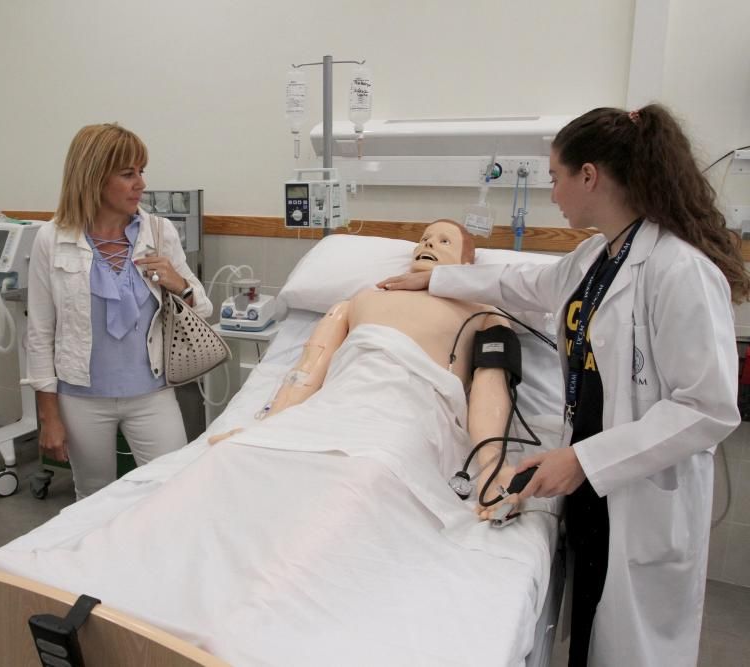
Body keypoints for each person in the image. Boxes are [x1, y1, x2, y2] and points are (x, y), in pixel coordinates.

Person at [379, 105, 746, 666]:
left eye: (555, 177)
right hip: (594, 487)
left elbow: (708, 408)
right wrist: (437, 276)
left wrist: (581, 460)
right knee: (593, 630)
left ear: (590, 175)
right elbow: (524, 281)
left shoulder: (680, 269)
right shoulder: (598, 257)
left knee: (632, 648)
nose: (553, 193)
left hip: (637, 488)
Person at [214, 219, 523, 517]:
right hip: (338, 400)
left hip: (411, 408)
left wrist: (493, 464)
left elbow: (491, 385)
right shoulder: (361, 298)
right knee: (242, 463)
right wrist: (268, 427)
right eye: (425, 238)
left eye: (444, 241)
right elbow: (308, 367)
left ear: (468, 266)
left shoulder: (483, 311)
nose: (428, 242)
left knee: (365, 474)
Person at [26, 123, 211, 499]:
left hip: (152, 392)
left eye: (141, 172)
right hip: (81, 395)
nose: (140, 183)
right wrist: (49, 417)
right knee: (92, 496)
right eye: (128, 174)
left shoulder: (159, 232)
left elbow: (202, 309)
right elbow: (40, 333)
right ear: (93, 178)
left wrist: (180, 284)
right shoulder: (52, 239)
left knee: (171, 489)